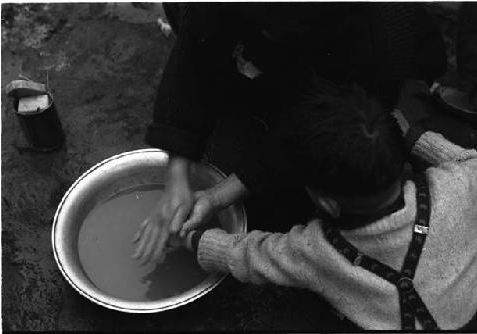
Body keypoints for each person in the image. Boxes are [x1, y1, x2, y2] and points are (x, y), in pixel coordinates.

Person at [133, 3, 448, 264]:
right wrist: (177, 173)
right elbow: (194, 56)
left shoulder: (381, 39)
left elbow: (319, 124)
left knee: (289, 199)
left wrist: (222, 194)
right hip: (287, 47)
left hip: (363, 66)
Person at [174, 79, 477, 330]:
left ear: (325, 201)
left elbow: (249, 254)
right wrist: (413, 138)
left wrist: (190, 238)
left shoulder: (316, 251)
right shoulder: (458, 186)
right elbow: (474, 161)